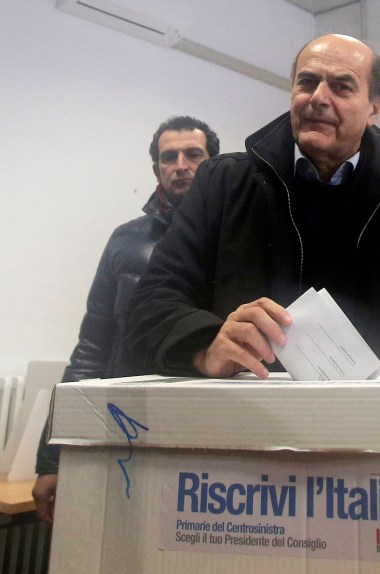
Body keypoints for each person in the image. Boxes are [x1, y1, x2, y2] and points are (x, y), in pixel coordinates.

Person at [124, 34, 380, 387]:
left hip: (374, 432)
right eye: (307, 82)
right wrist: (205, 345)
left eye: (342, 86)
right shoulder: (220, 185)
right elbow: (151, 303)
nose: (318, 97)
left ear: (374, 108)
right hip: (245, 424)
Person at [31, 116, 220, 524]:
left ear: (213, 164)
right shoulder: (125, 240)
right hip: (124, 424)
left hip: (204, 431)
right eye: (169, 157)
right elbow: (92, 348)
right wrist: (51, 458)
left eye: (193, 154)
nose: (181, 164)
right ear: (156, 170)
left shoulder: (235, 239)